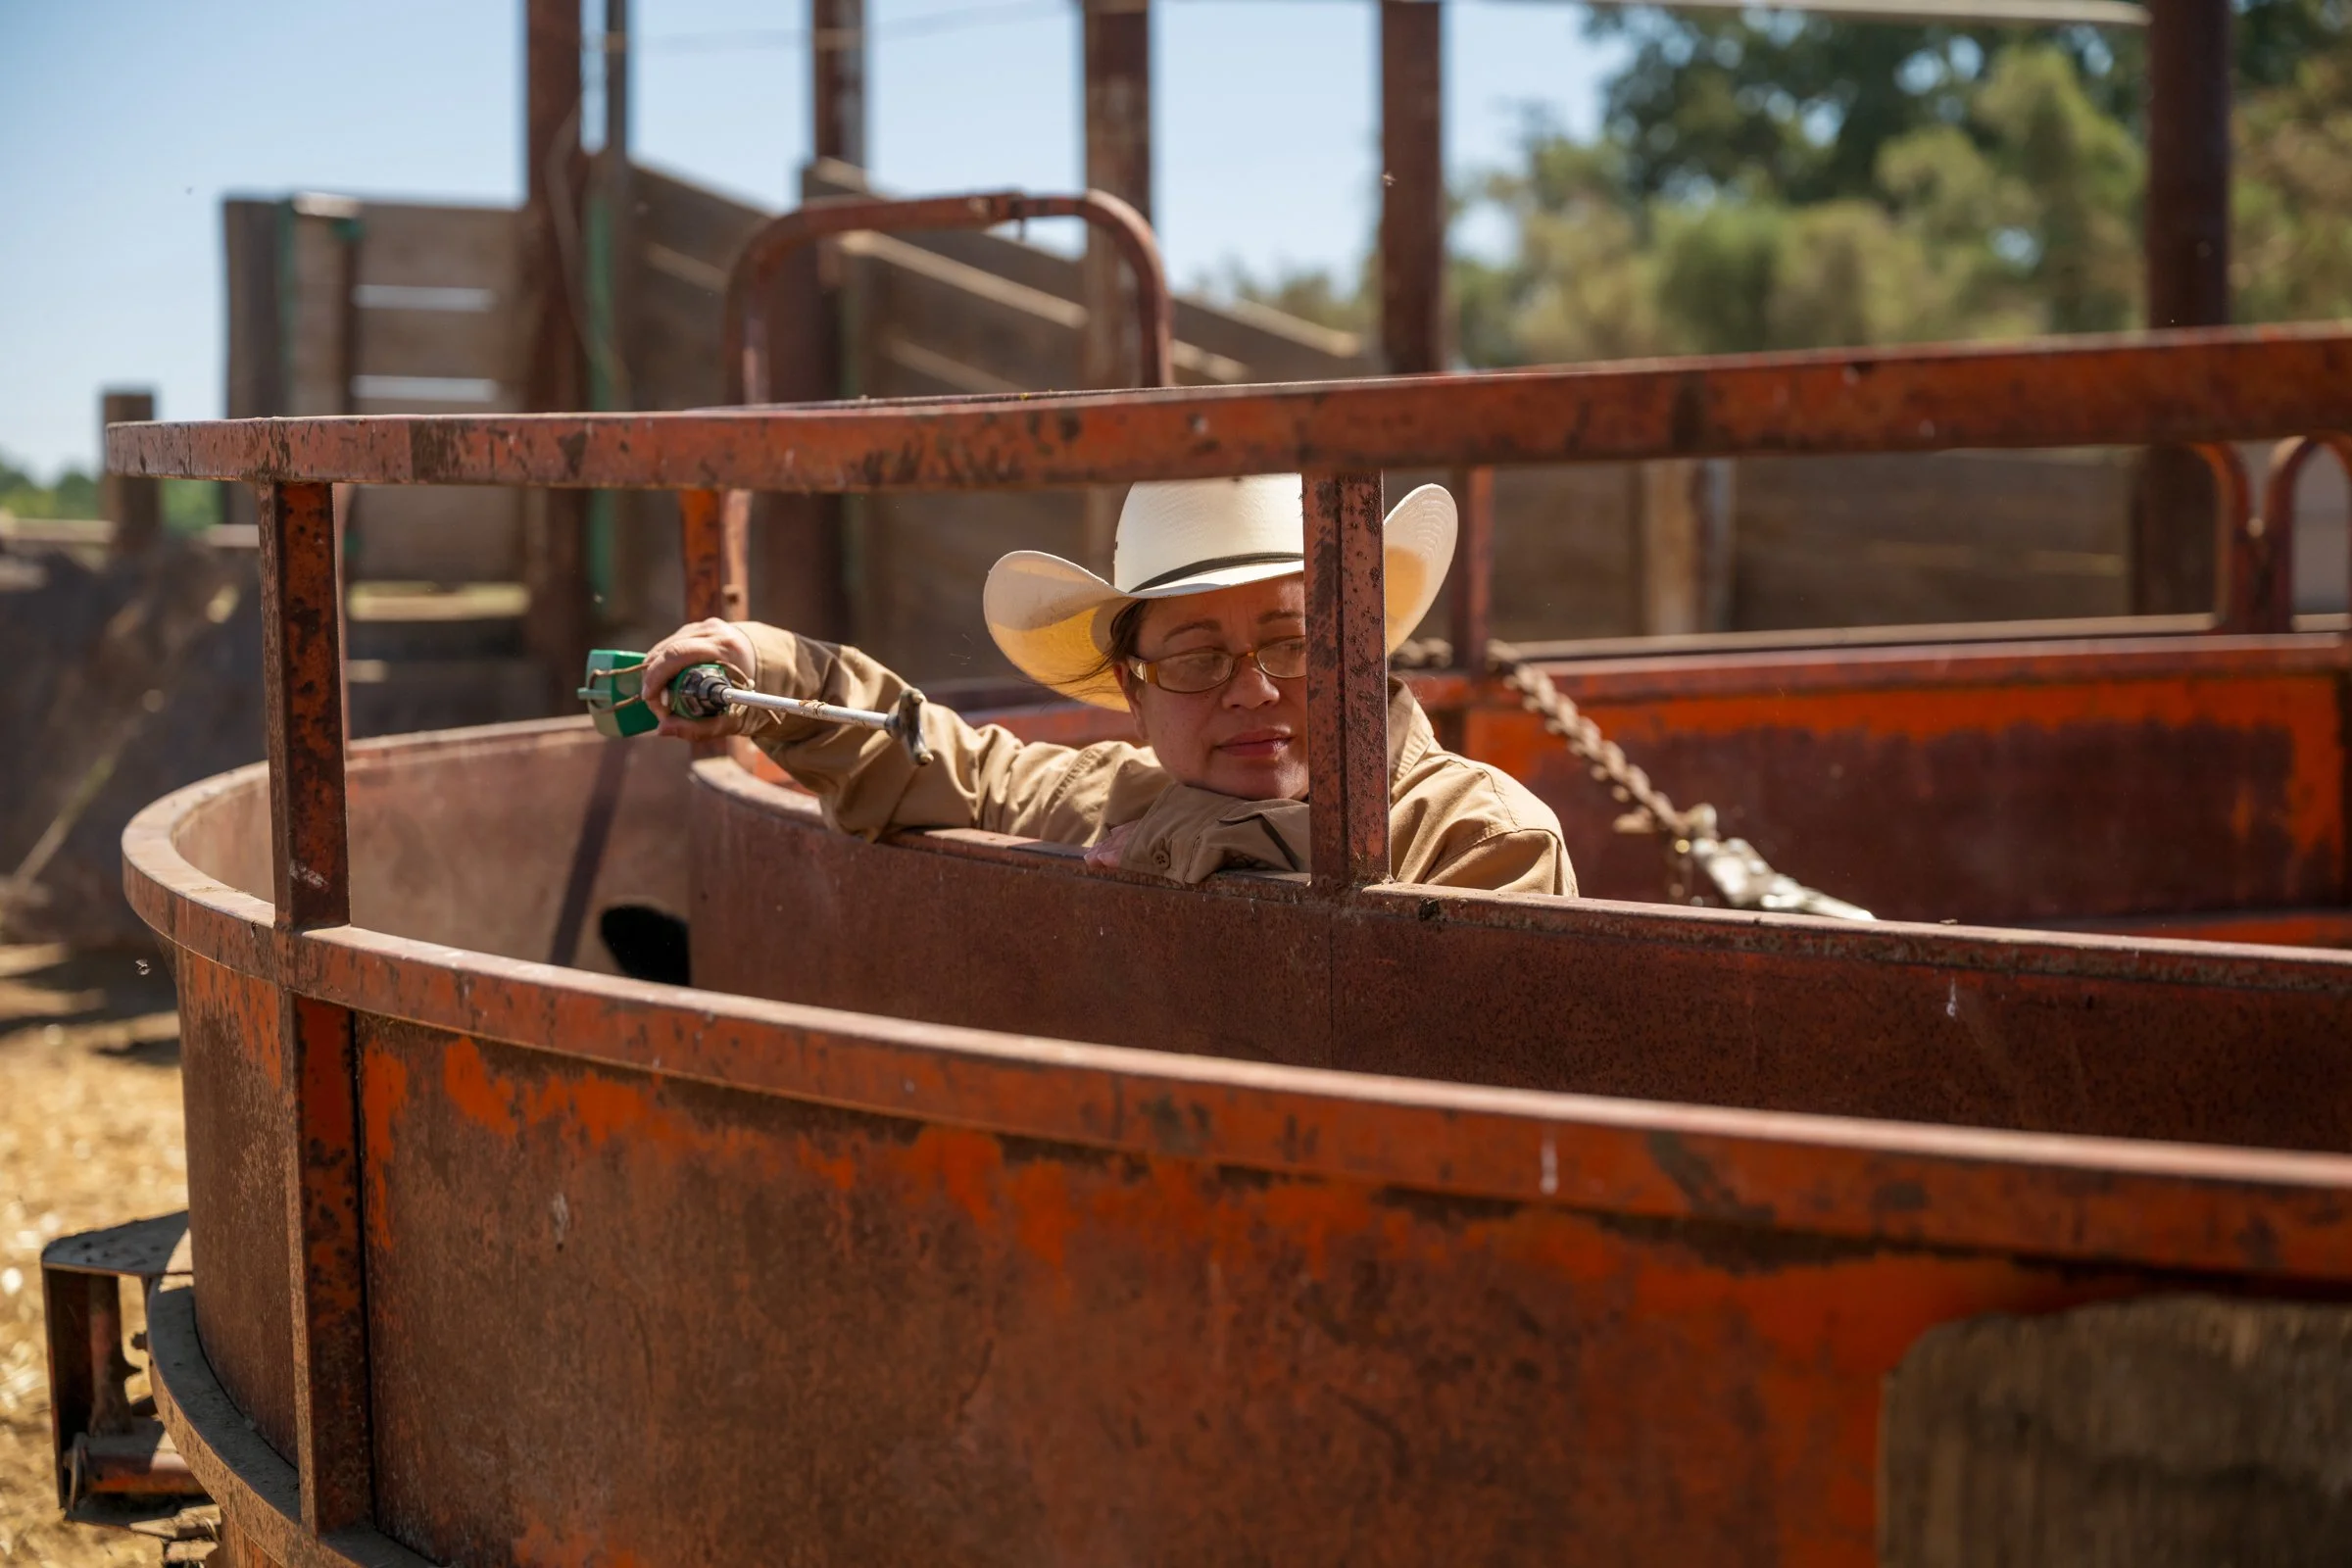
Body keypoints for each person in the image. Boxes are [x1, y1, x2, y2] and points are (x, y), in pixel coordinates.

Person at [638, 473, 1573, 894]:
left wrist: (1197, 839)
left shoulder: (1480, 837)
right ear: (1136, 692)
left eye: (1291, 647)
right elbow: (951, 766)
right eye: (1198, 660)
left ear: (1356, 657)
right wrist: (775, 668)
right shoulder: (1115, 795)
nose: (1250, 693)